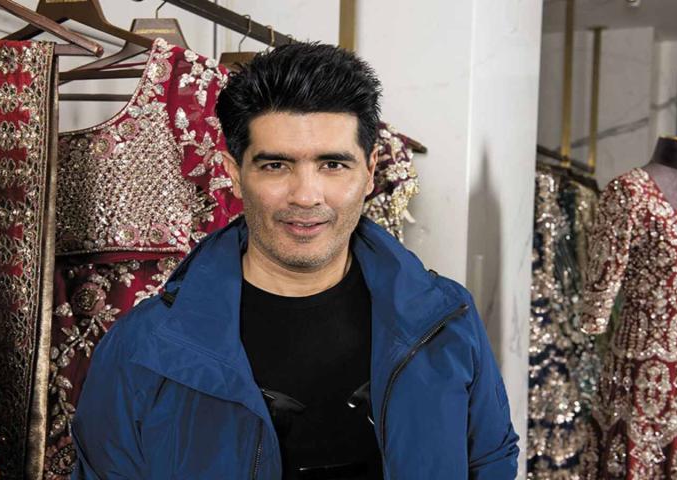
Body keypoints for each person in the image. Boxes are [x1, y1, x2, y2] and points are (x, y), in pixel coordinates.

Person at [71, 42, 519, 479]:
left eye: (333, 165)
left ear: (369, 171)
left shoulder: (447, 323)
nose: (306, 196)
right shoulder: (142, 348)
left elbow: (491, 460)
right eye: (276, 166)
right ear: (233, 173)